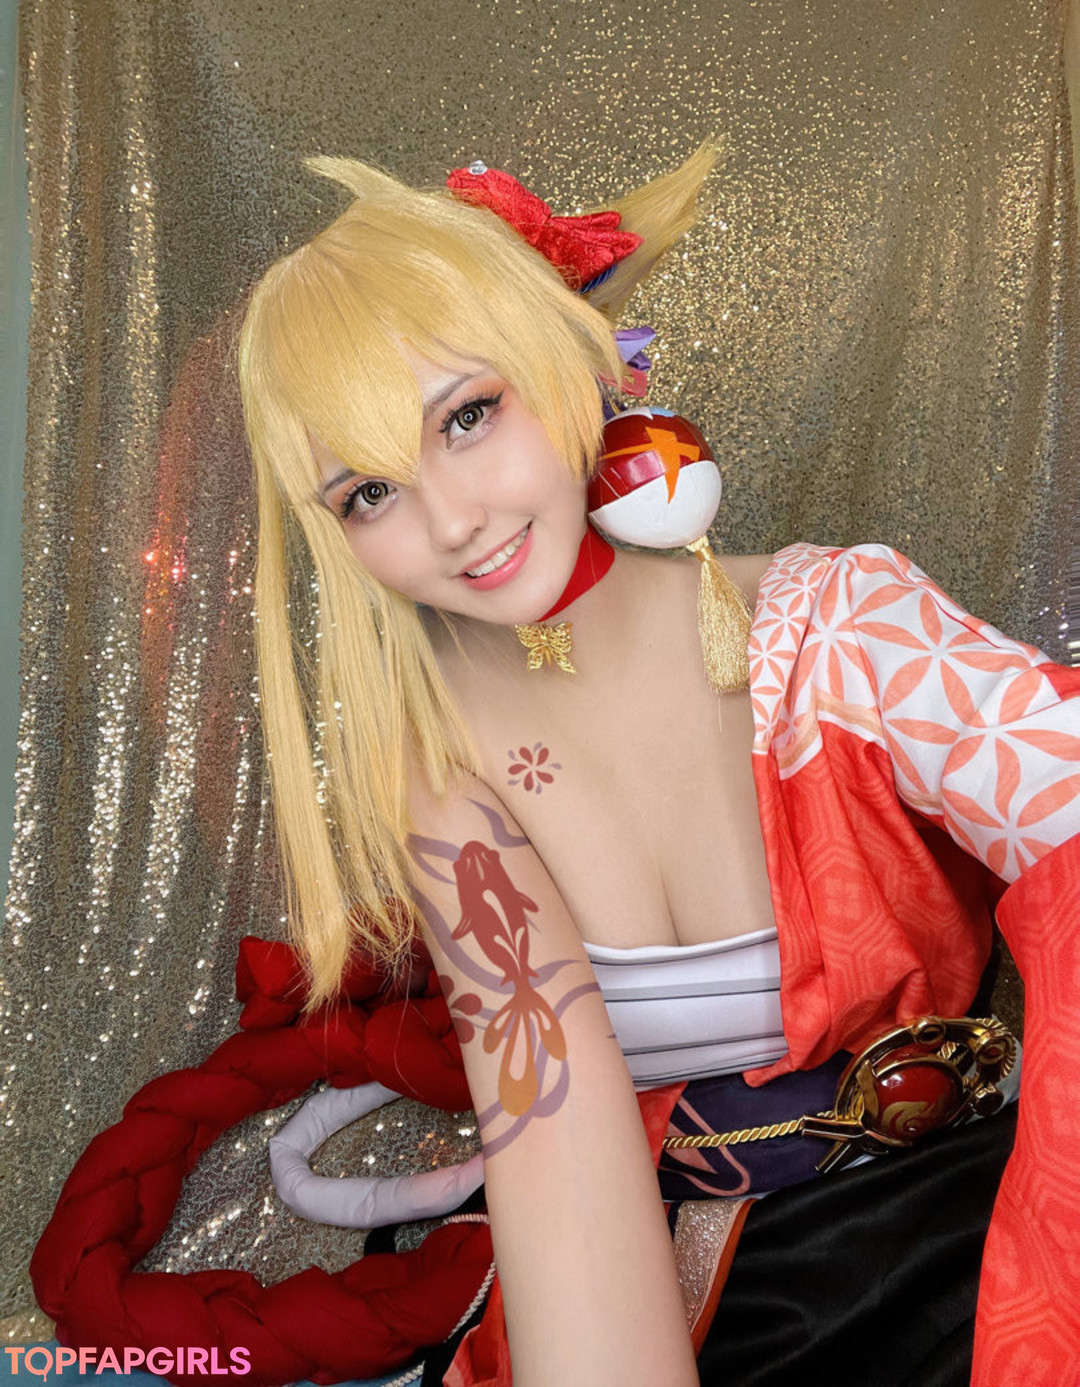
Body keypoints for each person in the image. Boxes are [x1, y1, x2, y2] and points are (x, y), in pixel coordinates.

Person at [237, 150, 1080, 1386]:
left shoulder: (845, 629)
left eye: (468, 416)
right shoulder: (441, 760)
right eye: (370, 492)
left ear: (566, 360)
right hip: (688, 1279)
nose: (453, 519)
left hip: (966, 1228)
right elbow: (551, 1132)